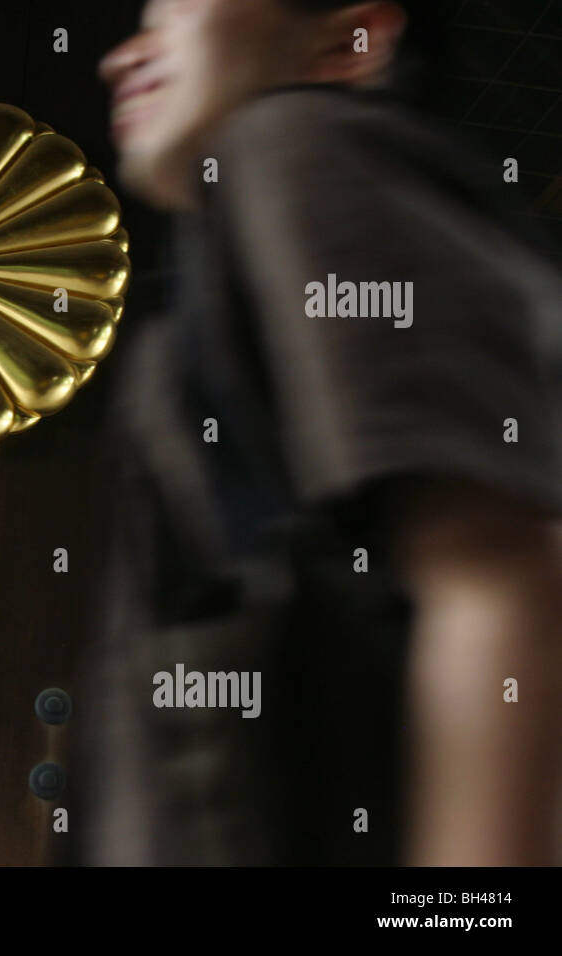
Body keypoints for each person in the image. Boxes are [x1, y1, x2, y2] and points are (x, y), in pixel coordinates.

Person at [85, 0, 562, 865]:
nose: (124, 57)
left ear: (351, 44)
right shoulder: (188, 330)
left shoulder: (295, 142)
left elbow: (501, 580)